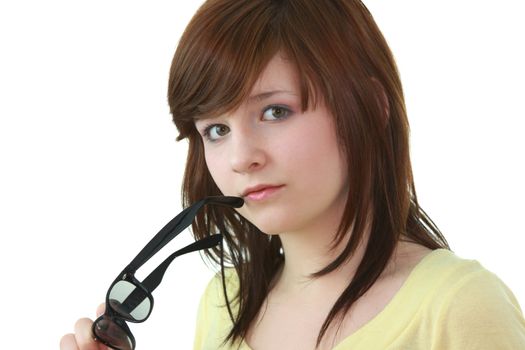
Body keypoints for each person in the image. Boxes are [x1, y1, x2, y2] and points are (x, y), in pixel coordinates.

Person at [60, 0, 525, 349]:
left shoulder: (456, 306)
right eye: (216, 129)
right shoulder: (224, 305)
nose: (242, 157)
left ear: (370, 108)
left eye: (276, 111)